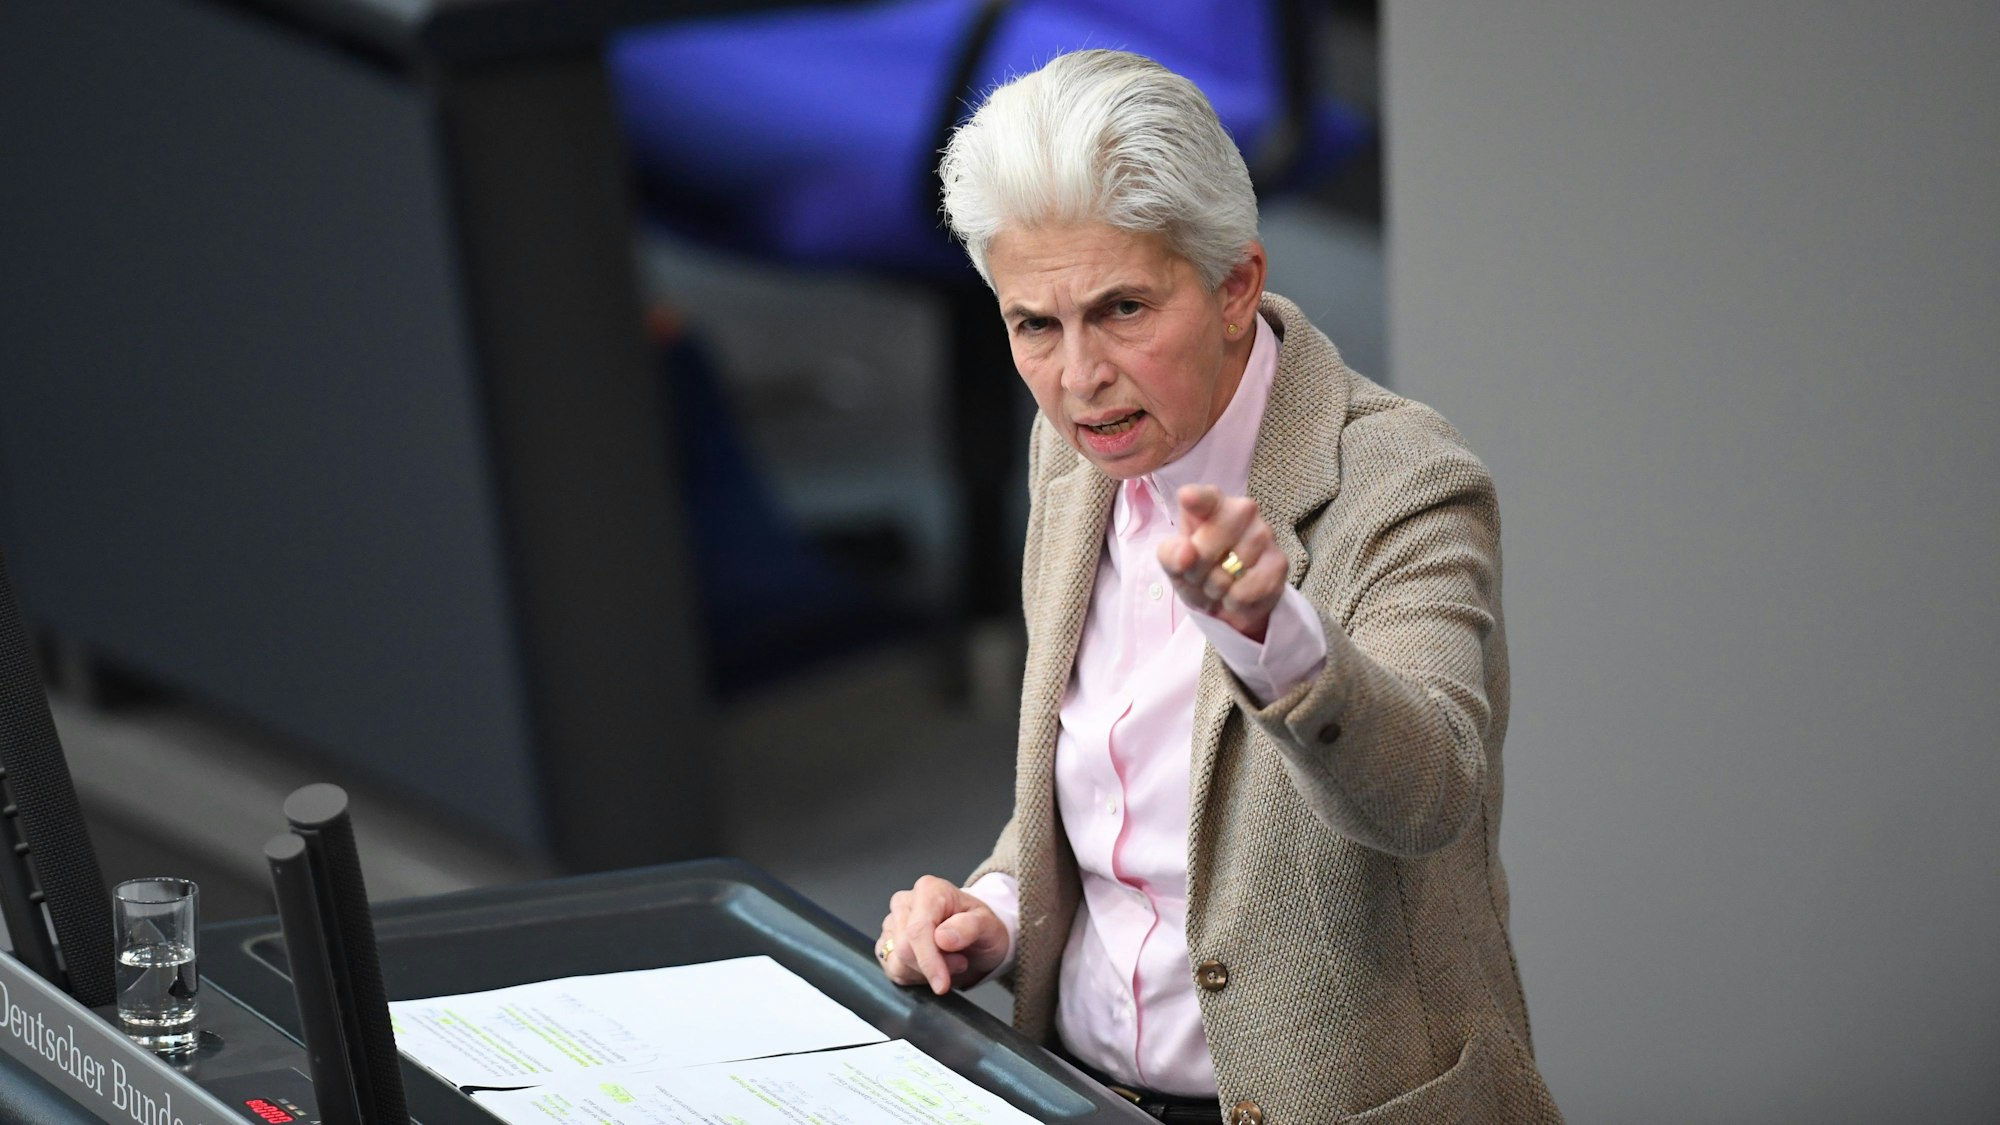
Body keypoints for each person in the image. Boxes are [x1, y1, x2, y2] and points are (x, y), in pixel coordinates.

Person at [877, 50, 1562, 1124]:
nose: (1076, 376)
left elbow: (1432, 794)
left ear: (1235, 286)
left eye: (1120, 311)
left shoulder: (1403, 481)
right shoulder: (1071, 455)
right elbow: (1106, 785)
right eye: (1033, 326)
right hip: (1078, 1088)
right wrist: (998, 910)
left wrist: (1273, 639)